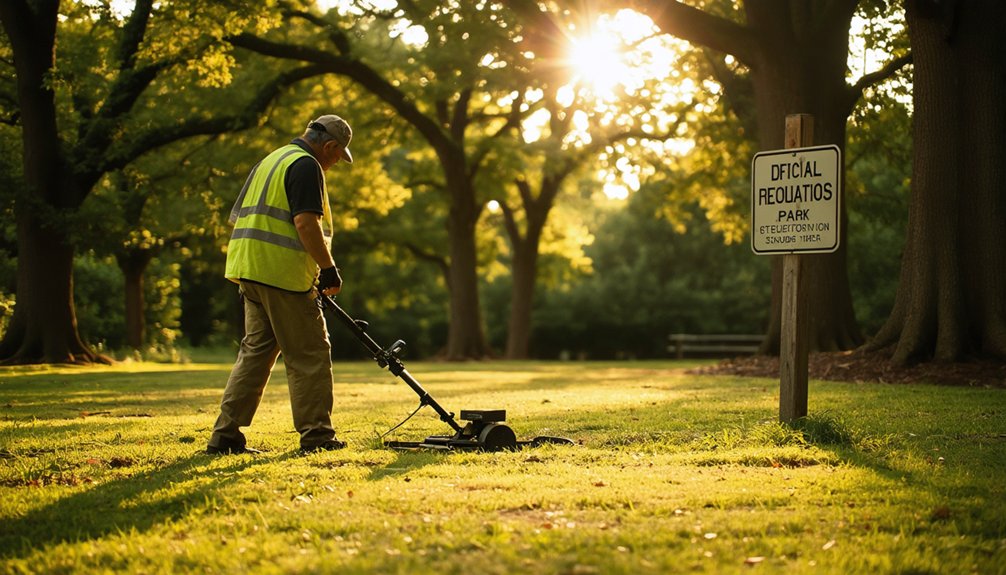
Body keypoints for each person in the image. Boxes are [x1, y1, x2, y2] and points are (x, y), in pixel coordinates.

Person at [206, 114, 354, 455]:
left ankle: (225, 436)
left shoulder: (271, 159)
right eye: (337, 157)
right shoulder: (306, 165)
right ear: (329, 146)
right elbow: (305, 223)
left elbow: (240, 215)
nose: (335, 164)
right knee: (310, 354)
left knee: (255, 355)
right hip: (281, 273)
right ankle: (317, 436)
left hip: (249, 269)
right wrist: (328, 268)